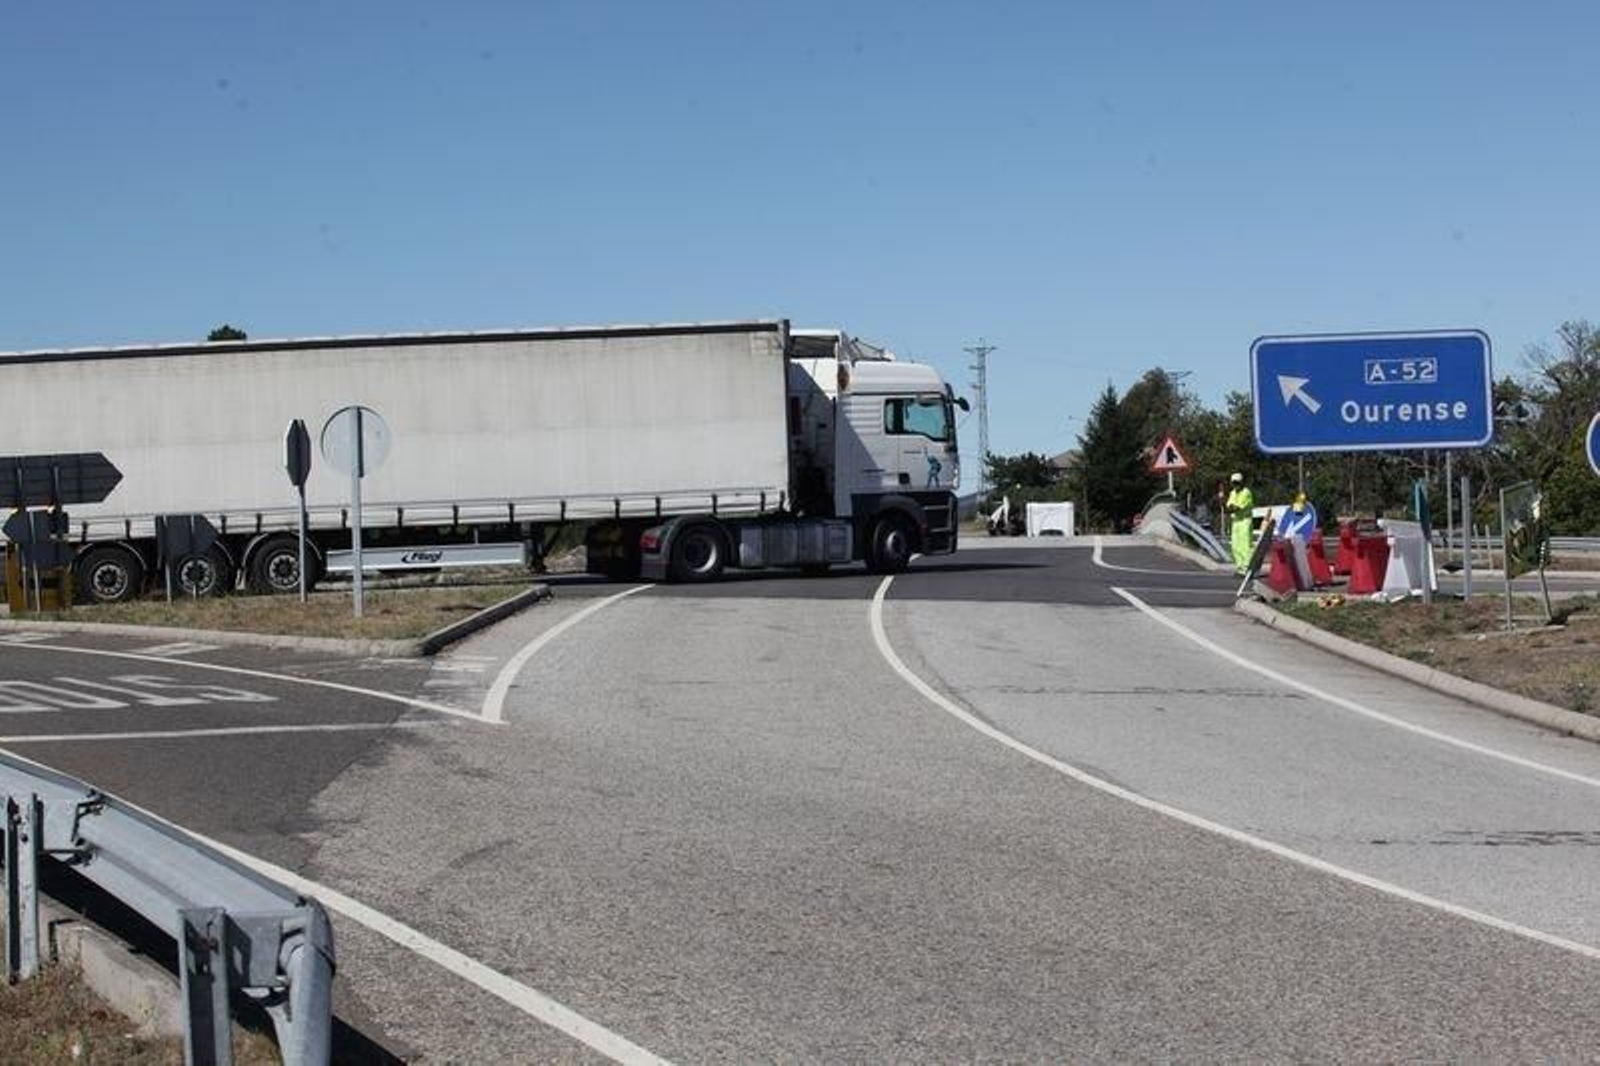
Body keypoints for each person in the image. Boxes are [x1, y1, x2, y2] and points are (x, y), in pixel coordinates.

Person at [1225, 472, 1255, 573]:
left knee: (1245, 545)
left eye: (1237, 483)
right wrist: (1231, 507)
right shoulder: (1232, 493)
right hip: (1236, 521)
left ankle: (1247, 568)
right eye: (1234, 483)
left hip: (1244, 521)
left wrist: (1231, 507)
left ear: (1242, 483)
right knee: (1235, 545)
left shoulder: (1246, 492)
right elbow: (1228, 506)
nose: (1235, 485)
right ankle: (1239, 567)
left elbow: (1237, 508)